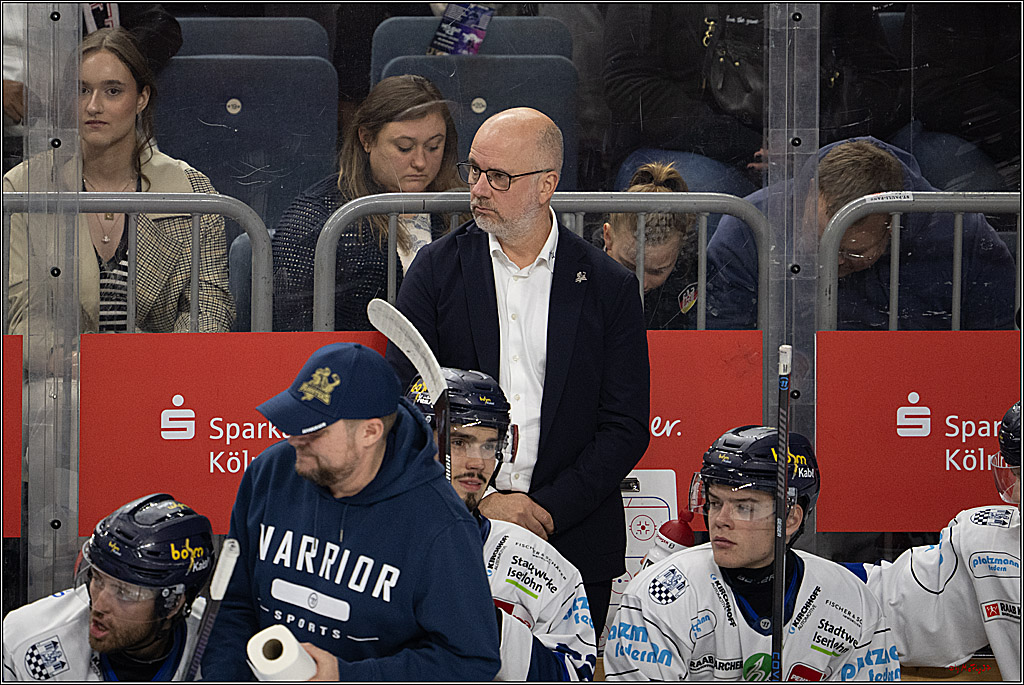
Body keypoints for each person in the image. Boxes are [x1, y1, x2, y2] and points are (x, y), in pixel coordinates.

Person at [386, 106, 651, 633]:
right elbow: (404, 404)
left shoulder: (609, 287)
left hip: (572, 539)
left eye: (499, 177)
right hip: (450, 528)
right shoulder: (435, 272)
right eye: (474, 171)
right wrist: (484, 500)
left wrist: (544, 510)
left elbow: (624, 427)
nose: (479, 189)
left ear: (547, 184)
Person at [200, 342, 500, 681]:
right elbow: (233, 605)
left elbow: (470, 661)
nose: (295, 438)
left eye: (315, 430)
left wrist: (347, 676)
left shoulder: (441, 526)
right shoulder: (270, 473)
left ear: (369, 432)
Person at [604, 426, 900, 681]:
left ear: (792, 518)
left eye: (744, 507)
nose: (721, 519)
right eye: (716, 502)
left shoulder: (851, 602)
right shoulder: (658, 597)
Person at [4, 26, 234, 334]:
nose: (93, 106)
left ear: (141, 98)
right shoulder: (23, 188)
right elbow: (20, 310)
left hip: (164, 376)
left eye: (113, 91)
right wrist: (65, 356)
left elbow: (208, 310)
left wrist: (150, 363)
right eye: (82, 90)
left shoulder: (191, 191)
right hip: (58, 375)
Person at [406, 367, 598, 681]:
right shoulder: (361, 540)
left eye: (488, 445)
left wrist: (490, 627)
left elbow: (574, 674)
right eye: (459, 442)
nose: (477, 462)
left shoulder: (543, 565)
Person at [706, 137, 1017, 330]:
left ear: (894, 225)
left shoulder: (962, 234)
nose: (833, 261)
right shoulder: (748, 228)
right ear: (810, 192)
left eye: (853, 253)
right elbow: (725, 352)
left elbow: (996, 356)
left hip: (923, 404)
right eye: (819, 242)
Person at [602, 4, 902, 192]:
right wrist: (751, 146)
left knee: (889, 193)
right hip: (689, 149)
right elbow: (629, 85)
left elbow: (877, 79)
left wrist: (814, 140)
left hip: (818, 149)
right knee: (713, 205)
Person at [271, 74, 462, 332]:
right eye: (404, 148)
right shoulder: (315, 215)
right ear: (366, 139)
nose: (420, 162)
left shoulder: (464, 209)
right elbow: (291, 329)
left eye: (434, 146)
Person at [851, 401, 1021, 681]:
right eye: (1015, 474)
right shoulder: (989, 544)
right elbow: (882, 598)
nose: (1015, 495)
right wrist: (797, 570)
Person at [2, 493, 214, 681]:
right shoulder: (27, 641)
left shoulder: (218, 643)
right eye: (98, 579)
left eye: (125, 592)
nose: (100, 605)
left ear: (174, 603)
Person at [593, 161, 699, 329]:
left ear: (679, 252)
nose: (641, 282)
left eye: (657, 271)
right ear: (608, 237)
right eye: (629, 266)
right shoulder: (578, 270)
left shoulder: (693, 274)